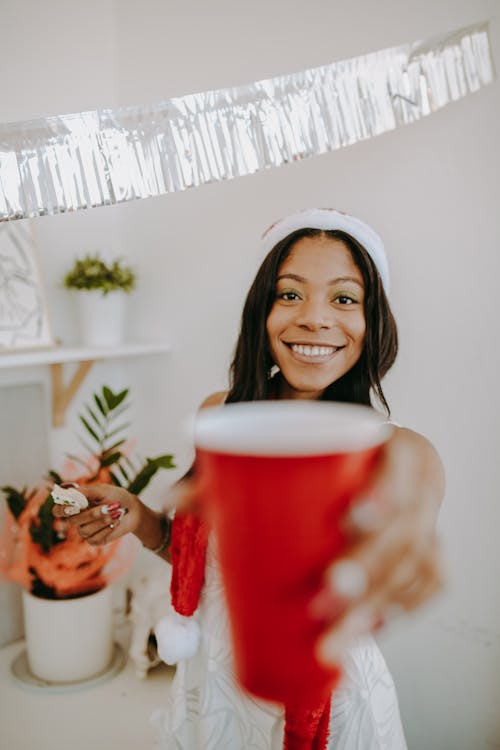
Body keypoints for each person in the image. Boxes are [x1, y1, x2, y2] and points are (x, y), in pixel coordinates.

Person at [54, 209, 445, 750]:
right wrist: (137, 517)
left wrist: (393, 557)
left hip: (329, 707)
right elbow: (207, 562)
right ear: (261, 310)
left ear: (372, 319)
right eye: (289, 294)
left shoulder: (396, 453)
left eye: (344, 298)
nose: (313, 318)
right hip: (212, 686)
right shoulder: (221, 417)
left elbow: (406, 532)